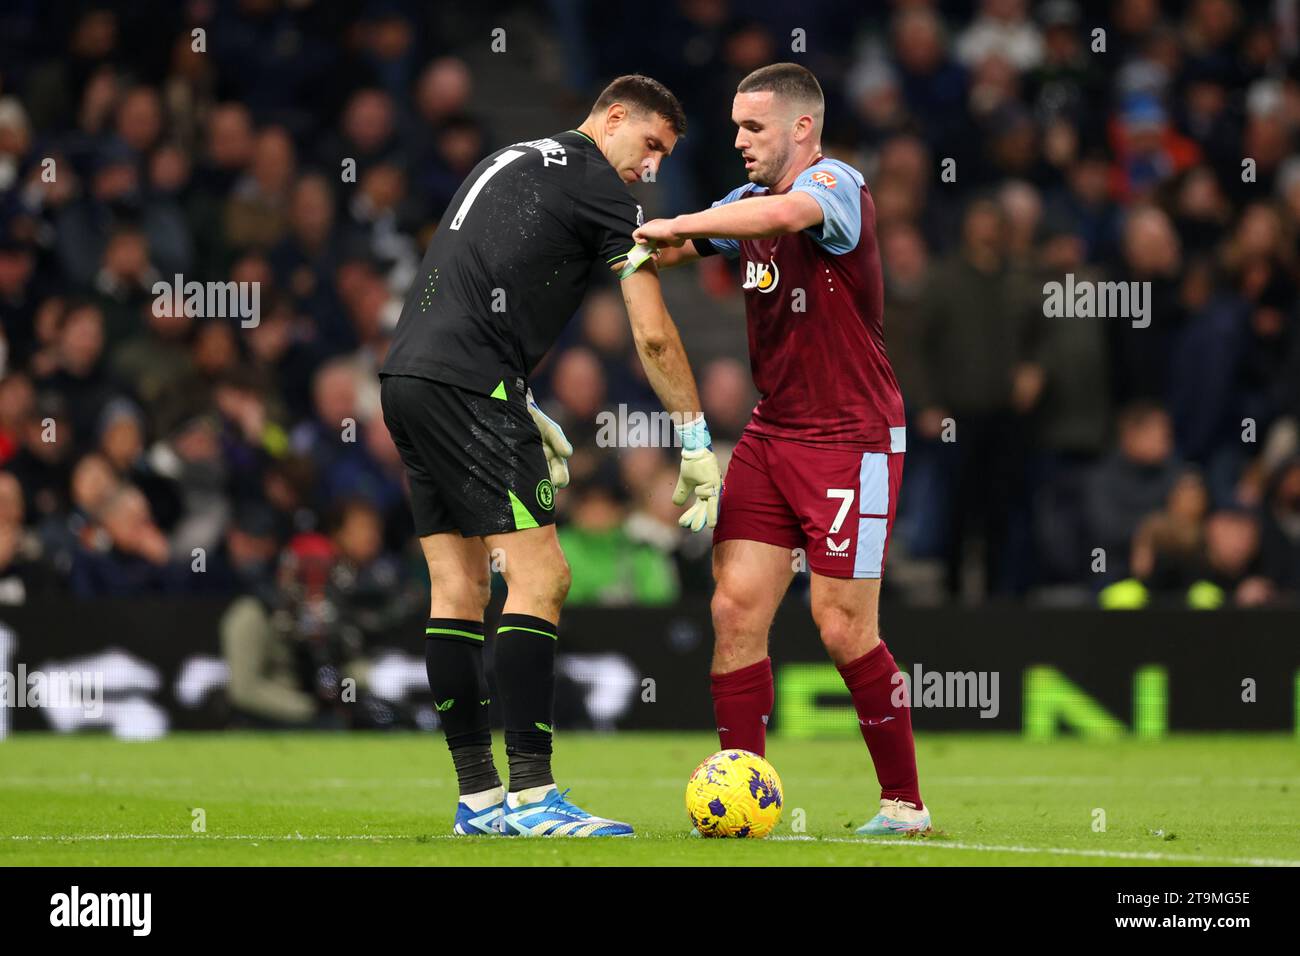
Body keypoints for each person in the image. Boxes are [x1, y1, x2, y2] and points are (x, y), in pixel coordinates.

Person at [379, 75, 720, 837]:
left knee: (457, 587)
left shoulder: (515, 159)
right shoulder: (602, 186)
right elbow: (654, 333)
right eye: (651, 145)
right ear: (614, 117)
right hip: (468, 385)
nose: (652, 167)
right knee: (543, 576)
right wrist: (694, 439)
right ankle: (534, 797)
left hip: (408, 375)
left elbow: (468, 275)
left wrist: (520, 399)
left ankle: (478, 801)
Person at [634, 63, 930, 835]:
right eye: (734, 126)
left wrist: (679, 225)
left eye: (753, 127)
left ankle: (905, 806)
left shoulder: (836, 187)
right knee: (734, 610)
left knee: (842, 626)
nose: (737, 140)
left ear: (802, 128)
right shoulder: (747, 203)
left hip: (853, 436)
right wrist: (637, 236)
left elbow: (780, 219)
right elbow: (673, 251)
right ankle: (744, 795)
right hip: (774, 432)